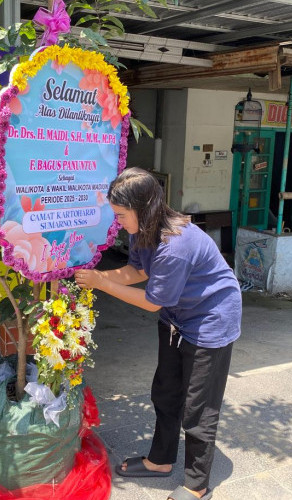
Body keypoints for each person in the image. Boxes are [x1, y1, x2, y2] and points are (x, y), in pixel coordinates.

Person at [75, 167, 241, 500]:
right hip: (177, 317)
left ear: (143, 208)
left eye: (121, 214)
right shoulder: (143, 232)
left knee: (199, 408)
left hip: (211, 319)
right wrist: (96, 276)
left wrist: (101, 284)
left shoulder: (175, 243)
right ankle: (160, 461)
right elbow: (137, 270)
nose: (118, 221)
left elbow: (152, 301)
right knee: (166, 391)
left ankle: (197, 485)